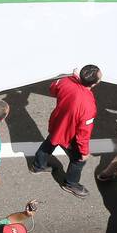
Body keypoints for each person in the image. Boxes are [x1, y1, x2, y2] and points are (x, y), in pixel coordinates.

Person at [32, 65, 101, 198]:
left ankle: (37, 166)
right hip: (70, 134)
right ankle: (70, 184)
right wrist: (84, 152)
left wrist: (71, 77)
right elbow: (83, 134)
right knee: (78, 160)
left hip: (56, 122)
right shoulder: (88, 105)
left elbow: (53, 89)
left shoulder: (65, 81)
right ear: (94, 83)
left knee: (50, 142)